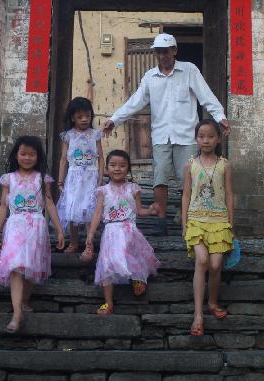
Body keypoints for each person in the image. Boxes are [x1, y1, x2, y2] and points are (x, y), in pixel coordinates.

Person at [102, 32, 229, 228]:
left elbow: (206, 96)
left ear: (174, 51)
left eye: (165, 52)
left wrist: (220, 117)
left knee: (188, 177)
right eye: (158, 53)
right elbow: (135, 102)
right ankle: (161, 219)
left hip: (186, 135)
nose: (162, 56)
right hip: (161, 135)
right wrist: (114, 119)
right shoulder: (150, 77)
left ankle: (188, 217)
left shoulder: (189, 70)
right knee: (160, 176)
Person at [0, 135, 65, 333]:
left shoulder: (41, 178)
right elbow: (4, 206)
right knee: (16, 266)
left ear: (38, 157)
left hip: (36, 227)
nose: (27, 158)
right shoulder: (9, 179)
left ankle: (24, 301)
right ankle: (16, 314)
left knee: (31, 266)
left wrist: (60, 230)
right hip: (14, 226)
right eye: (23, 154)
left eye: (32, 154)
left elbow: (49, 204)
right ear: (16, 155)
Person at [84, 149, 160, 315]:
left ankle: (138, 279)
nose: (117, 169)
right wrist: (91, 233)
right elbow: (97, 213)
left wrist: (151, 211)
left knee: (134, 256)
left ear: (128, 168)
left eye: (122, 165)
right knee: (107, 265)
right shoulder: (103, 191)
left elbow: (139, 210)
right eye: (112, 165)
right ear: (106, 168)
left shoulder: (133, 188)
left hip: (129, 229)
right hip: (111, 231)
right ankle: (108, 302)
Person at [181, 118, 234, 337]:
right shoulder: (190, 165)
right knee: (202, 261)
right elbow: (186, 194)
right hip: (196, 220)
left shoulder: (225, 165)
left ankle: (212, 303)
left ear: (218, 138)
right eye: (201, 136)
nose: (206, 140)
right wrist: (184, 224)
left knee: (215, 264)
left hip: (219, 221)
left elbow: (230, 194)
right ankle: (198, 315)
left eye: (211, 136)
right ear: (196, 138)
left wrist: (231, 222)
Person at [57, 96, 104, 256]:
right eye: (80, 117)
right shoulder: (68, 136)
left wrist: (100, 178)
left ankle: (89, 244)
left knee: (88, 209)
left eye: (87, 116)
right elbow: (64, 160)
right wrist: (60, 181)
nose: (84, 119)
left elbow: (101, 158)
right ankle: (74, 242)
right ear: (72, 118)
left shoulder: (95, 135)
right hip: (73, 178)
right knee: (71, 209)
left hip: (91, 177)